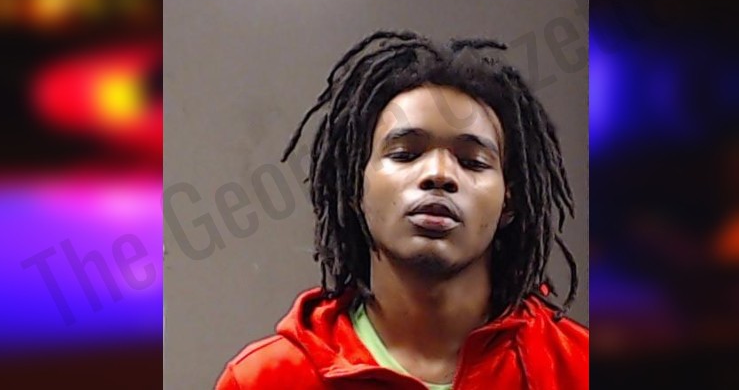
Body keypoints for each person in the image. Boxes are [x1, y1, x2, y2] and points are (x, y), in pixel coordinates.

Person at [216, 32, 588, 389]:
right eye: (405, 154)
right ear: (355, 187)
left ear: (510, 200)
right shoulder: (263, 381)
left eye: (472, 161)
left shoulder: (579, 368)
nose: (439, 174)